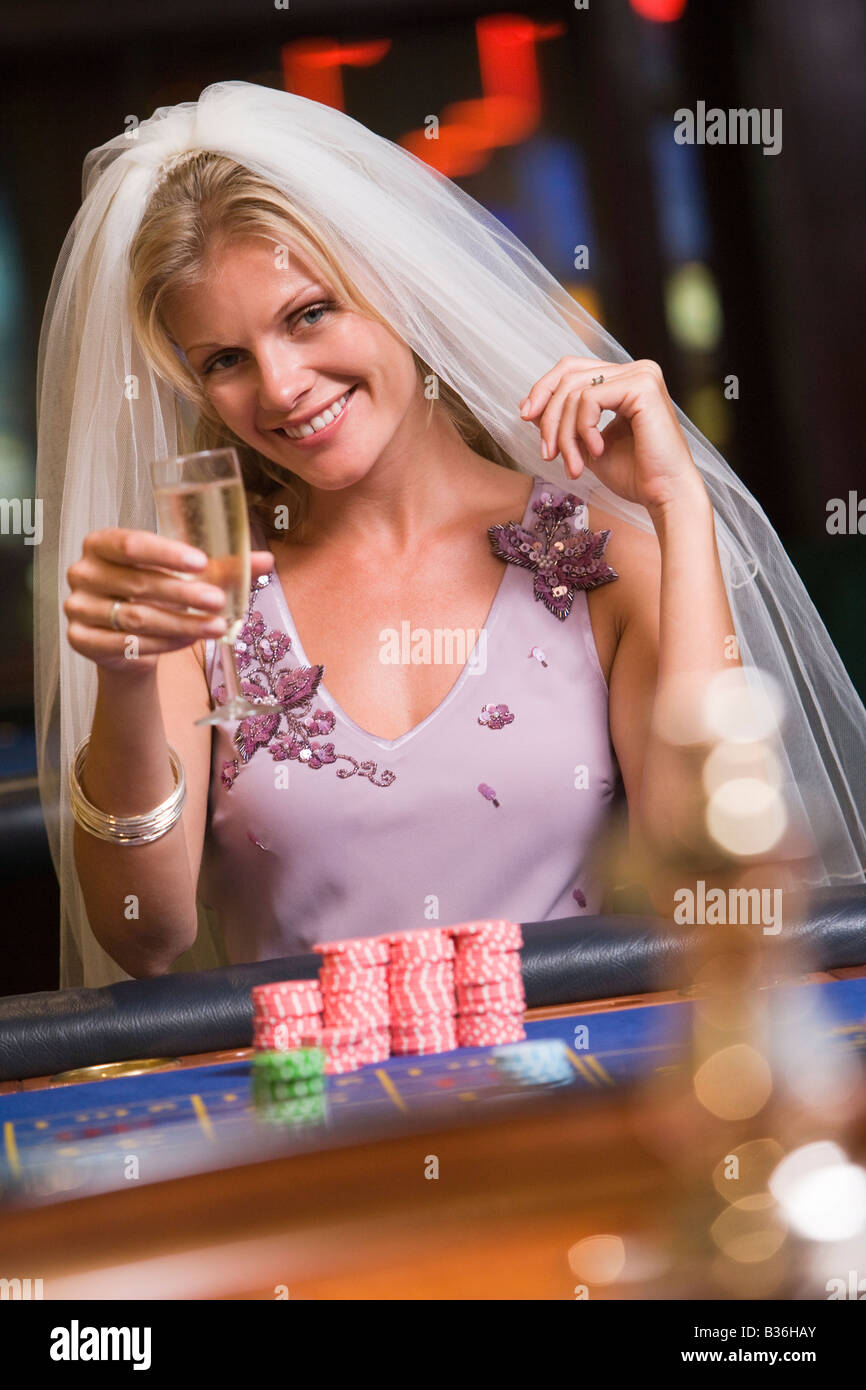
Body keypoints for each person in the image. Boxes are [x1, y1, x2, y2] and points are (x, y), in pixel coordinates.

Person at [35, 82, 866, 988]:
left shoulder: (604, 558)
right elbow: (142, 936)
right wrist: (121, 679)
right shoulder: (203, 592)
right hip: (307, 1114)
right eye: (225, 360)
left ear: (401, 287)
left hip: (576, 1094)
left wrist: (680, 506)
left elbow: (703, 882)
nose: (279, 387)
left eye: (310, 314)